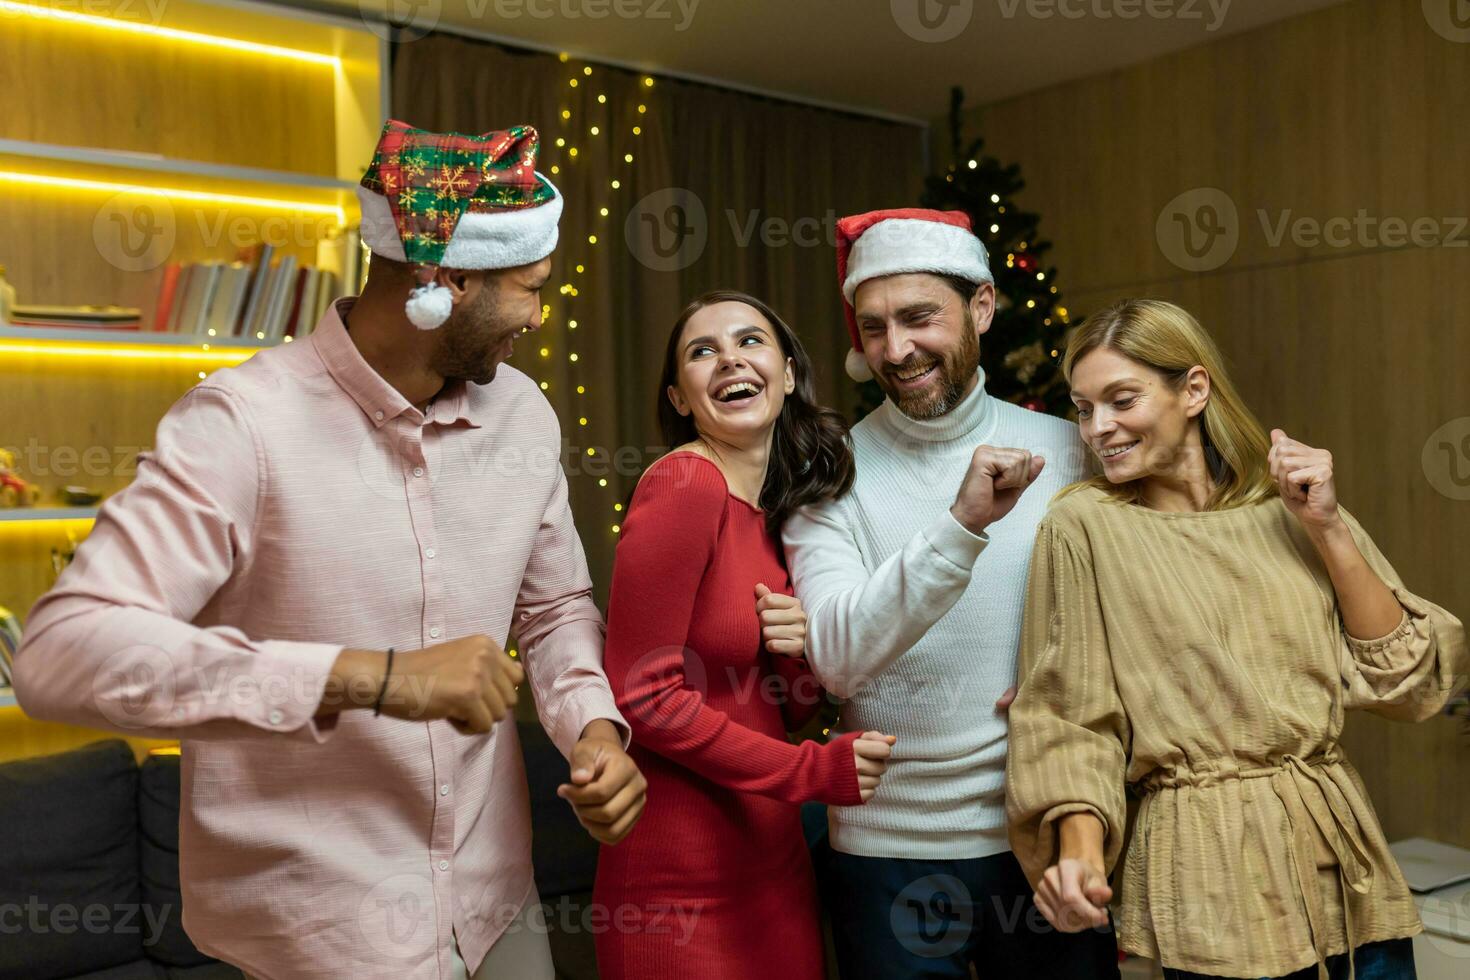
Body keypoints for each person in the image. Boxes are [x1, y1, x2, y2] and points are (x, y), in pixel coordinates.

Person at [13, 119, 647, 980]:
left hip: (496, 902)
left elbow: (554, 607)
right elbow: (60, 654)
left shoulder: (523, 413)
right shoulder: (242, 425)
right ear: (446, 276)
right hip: (321, 931)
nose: (540, 316)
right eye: (530, 289)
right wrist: (376, 677)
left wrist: (593, 730)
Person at [1006, 298, 1468, 980]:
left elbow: (1411, 678)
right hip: (1206, 869)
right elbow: (1068, 719)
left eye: (1121, 399)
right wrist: (1076, 853)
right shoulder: (1084, 527)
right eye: (1082, 407)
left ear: (1193, 390)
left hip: (1342, 856)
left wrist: (1330, 529)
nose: (1098, 428)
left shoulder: (1290, 509)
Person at [781, 208, 1120, 977]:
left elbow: (1136, 617)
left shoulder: (1072, 452)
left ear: (982, 308)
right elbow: (836, 657)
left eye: (919, 318)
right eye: (873, 327)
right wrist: (961, 524)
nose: (897, 349)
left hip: (1039, 829)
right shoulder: (829, 471)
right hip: (883, 854)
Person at [593, 290, 896, 980]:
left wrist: (793, 655)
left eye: (750, 341)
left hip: (774, 871)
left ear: (788, 373)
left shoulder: (775, 513)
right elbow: (643, 694)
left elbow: (781, 711)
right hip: (680, 889)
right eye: (703, 352)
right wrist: (813, 771)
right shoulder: (682, 484)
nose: (730, 358)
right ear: (679, 397)